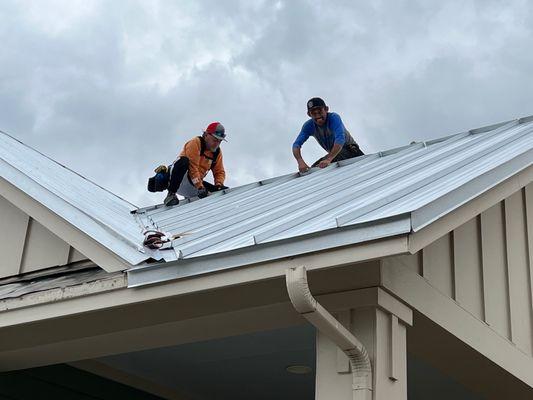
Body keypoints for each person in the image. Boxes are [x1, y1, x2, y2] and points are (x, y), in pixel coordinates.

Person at [163, 122, 228, 206]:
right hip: (180, 179)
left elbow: (219, 171)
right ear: (206, 135)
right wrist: (200, 187)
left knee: (221, 192)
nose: (217, 144)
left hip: (194, 184)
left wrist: (219, 185)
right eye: (215, 140)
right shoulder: (195, 143)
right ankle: (171, 195)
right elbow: (192, 168)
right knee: (184, 161)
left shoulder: (216, 152)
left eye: (219, 141)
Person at [292, 97, 364, 173]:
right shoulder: (308, 126)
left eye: (320, 111)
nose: (317, 116)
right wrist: (300, 162)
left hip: (351, 151)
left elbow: (340, 139)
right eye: (314, 113)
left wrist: (328, 159)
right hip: (335, 155)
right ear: (309, 114)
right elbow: (296, 145)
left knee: (320, 167)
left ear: (326, 109)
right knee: (312, 170)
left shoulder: (333, 118)